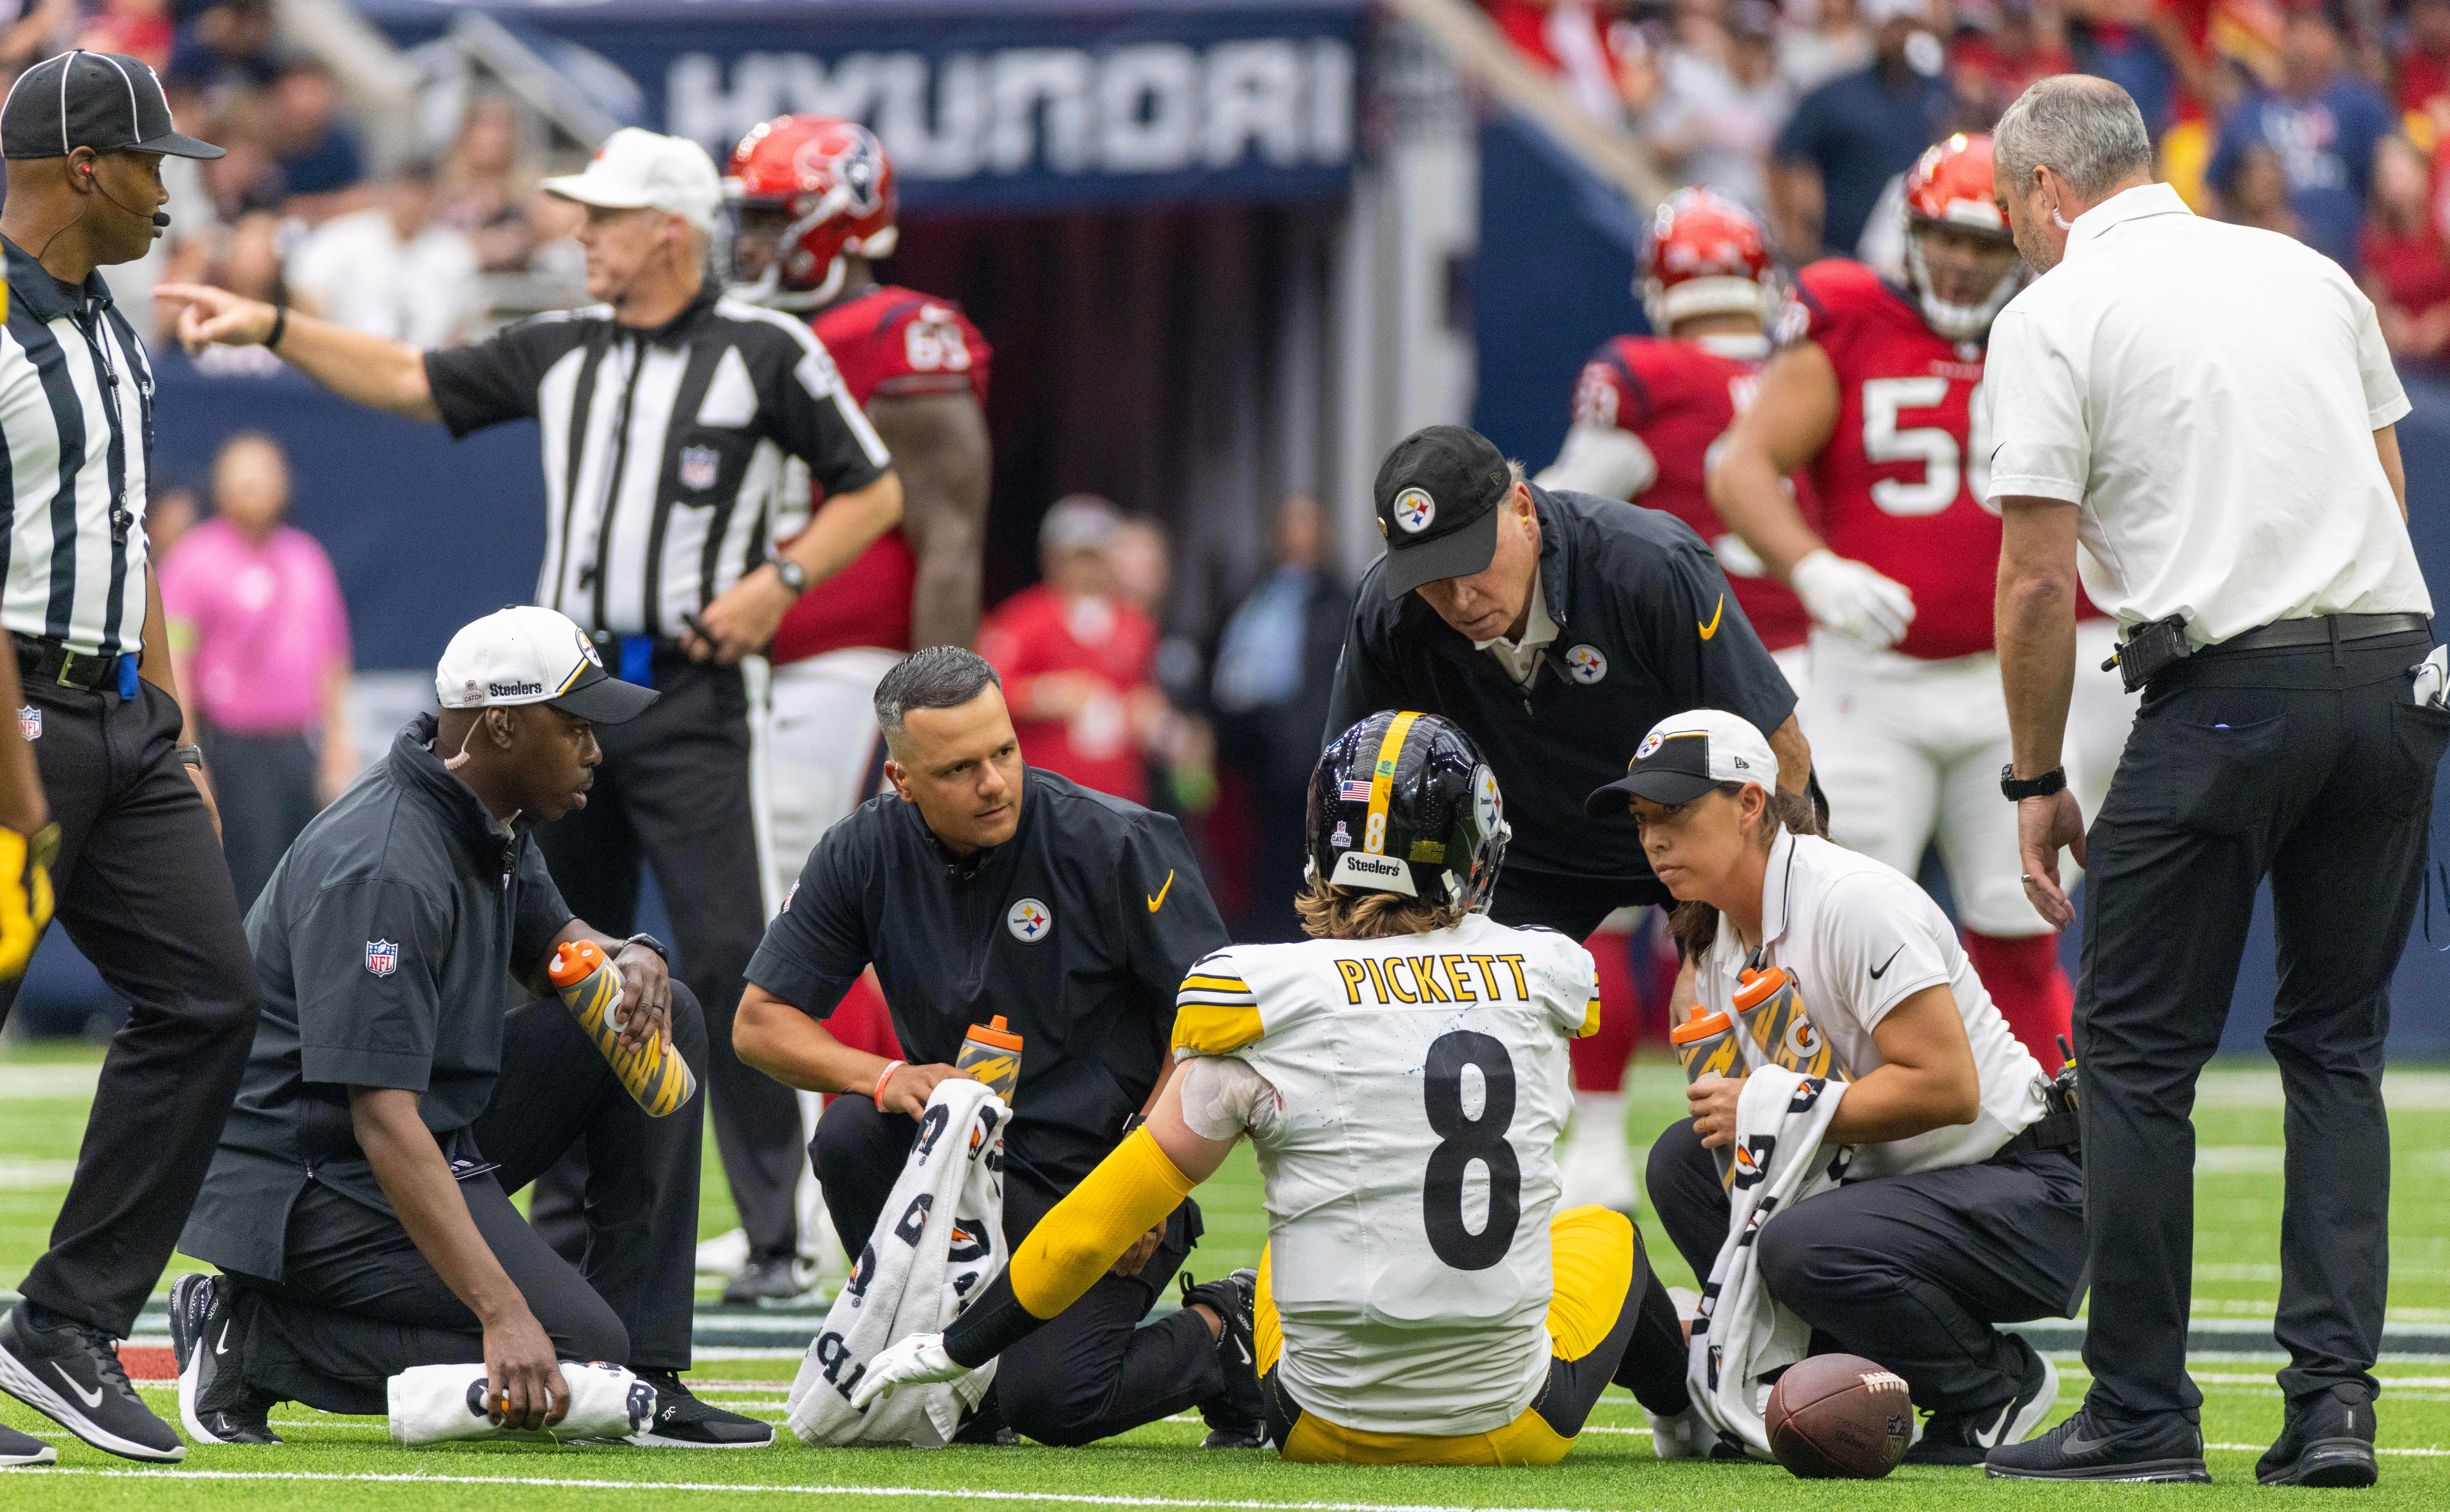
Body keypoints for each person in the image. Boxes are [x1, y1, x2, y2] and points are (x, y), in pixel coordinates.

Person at [156, 125, 906, 1327]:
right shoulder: (565, 347)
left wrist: (779, 577)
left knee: (723, 954)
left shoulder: (763, 348)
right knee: (567, 963)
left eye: (603, 218)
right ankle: (563, 1220)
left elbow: (873, 484)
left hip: (699, 686)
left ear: (670, 228)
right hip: (574, 696)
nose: (578, 234)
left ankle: (772, 1232)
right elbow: (416, 379)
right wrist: (279, 328)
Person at [1984, 75, 2438, 1484]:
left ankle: (2135, 1408)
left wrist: (2034, 773)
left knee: (2127, 1056)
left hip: (2220, 691)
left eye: (2010, 209)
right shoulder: (2303, 271)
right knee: (2331, 1049)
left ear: (2046, 192)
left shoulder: (2050, 313)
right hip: (2386, 677)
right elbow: (2385, 488)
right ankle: (2332, 1405)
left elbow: (2035, 580)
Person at [851, 710, 1696, 1466]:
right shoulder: (1548, 968)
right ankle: (1690, 1415)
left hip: (1316, 1426)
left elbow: (1092, 1227)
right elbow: (1551, 991)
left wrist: (957, 1348)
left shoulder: (1256, 995)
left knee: (1300, 1240)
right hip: (1516, 1424)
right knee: (1602, 1232)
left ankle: (1232, 1322)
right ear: (1475, 848)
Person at [167, 606, 766, 1448]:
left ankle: (650, 1373)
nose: (598, 748)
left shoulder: (486, 808)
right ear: (504, 725)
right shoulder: (386, 867)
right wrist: (500, 1306)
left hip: (408, 1132)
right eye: (578, 726)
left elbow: (560, 948)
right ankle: (256, 1338)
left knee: (661, 1011)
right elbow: (379, 1116)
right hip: (305, 1179)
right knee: (571, 1347)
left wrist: (628, 955)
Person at [730, 646, 1258, 1450]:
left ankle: (1226, 1331)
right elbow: (758, 1022)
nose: (994, 782)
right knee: (849, 1132)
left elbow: (1209, 1024)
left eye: (1004, 750)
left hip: (1102, 1179)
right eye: (959, 769)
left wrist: (1142, 1178)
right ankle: (951, 1359)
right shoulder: (861, 852)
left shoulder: (1115, 841)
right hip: (965, 1179)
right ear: (903, 780)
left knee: (1054, 1400)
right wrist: (886, 1075)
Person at [1604, 707, 2081, 1466]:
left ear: (1752, 802)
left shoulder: (1852, 899)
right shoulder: (1724, 929)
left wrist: (1771, 1106)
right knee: (1685, 1164)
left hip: (2024, 1186)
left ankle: (1994, 1384)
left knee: (1801, 1240)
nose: (1655, 839)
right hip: (1901, 1184)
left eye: (1676, 813)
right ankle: (1815, 1384)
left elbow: (1949, 1088)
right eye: (1641, 819)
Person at [1709, 132, 2092, 1067]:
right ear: (1909, 233)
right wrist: (1812, 569)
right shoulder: (1845, 310)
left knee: (2021, 921)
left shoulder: (2056, 323)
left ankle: (2044, 1148)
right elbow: (1742, 467)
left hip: (2014, 683)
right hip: (1869, 685)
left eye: (1984, 244)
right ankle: (1820, 1135)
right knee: (1837, 922)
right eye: (1945, 240)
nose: (1962, 266)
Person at [0, 50, 251, 1469]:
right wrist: (20, 783)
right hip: (13, 718)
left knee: (212, 997)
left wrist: (177, 722)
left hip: (121, 718)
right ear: (85, 166)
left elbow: (129, 535)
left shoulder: (113, 327)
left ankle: (61, 1320)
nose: (171, 194)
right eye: (153, 163)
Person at [708, 113, 994, 1303]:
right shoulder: (762, 331)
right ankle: (793, 1207)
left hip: (848, 667)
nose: (752, 239)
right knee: (766, 919)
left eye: (774, 216)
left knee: (796, 920)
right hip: (759, 667)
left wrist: (928, 707)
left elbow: (948, 528)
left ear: (840, 224)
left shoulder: (894, 333)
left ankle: (832, 1205)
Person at [1536, 188, 1813, 1214]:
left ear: (1663, 286)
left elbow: (1568, 507)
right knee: (1767, 916)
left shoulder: (1641, 373)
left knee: (1611, 897)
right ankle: (1783, 1119)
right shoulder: (1802, 366)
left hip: (1670, 677)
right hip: (1802, 677)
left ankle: (1601, 1138)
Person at [1325, 423, 1811, 948]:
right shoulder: (1389, 612)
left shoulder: (1648, 565)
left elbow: (1780, 748)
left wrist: (1760, 920)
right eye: (1433, 578)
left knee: (1747, 1010)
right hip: (1518, 853)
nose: (1461, 599)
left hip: (1687, 831)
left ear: (1524, 510)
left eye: (1472, 561)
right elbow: (1353, 783)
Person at [1539, 188, 1815, 693]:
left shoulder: (1649, 377)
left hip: (1704, 667)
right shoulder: (1806, 377)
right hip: (1822, 662)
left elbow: (1557, 518)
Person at [159, 431, 356, 911]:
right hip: (232, 751)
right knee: (250, 878)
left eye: (265, 473)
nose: (254, 485)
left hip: (296, 749)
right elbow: (175, 664)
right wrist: (189, 753)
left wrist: (337, 746)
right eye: (241, 474)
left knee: (307, 877)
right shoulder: (192, 560)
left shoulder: (307, 558)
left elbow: (331, 658)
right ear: (220, 485)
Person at [1210, 495, 1348, 944]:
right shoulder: (1257, 597)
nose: (1299, 538)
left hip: (1317, 759)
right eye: (1291, 527)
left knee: (1313, 866)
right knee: (1259, 863)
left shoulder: (1341, 601)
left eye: (1309, 527)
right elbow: (1229, 671)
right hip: (1258, 757)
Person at [976, 497, 1168, 807]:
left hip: (1117, 798)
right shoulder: (1024, 619)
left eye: (1096, 557)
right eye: (1079, 557)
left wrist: (1148, 712)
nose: (1087, 569)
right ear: (1053, 558)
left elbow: (1142, 693)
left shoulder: (1135, 625)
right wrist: (1048, 694)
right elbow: (986, 690)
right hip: (1044, 796)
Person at [2205, 3, 2392, 273]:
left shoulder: (2362, 106)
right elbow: (2215, 193)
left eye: (2314, 27)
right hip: (2260, 259)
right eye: (2293, 26)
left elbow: (2386, 195)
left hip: (2343, 261)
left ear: (2334, 40)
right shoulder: (2247, 111)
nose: (2301, 41)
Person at [1770, 0, 1957, 260]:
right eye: (1891, 27)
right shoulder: (1837, 93)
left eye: (1905, 26)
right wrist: (1795, 239)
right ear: (1874, 28)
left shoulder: (1940, 92)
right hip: (1841, 255)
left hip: (1916, 256)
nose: (1899, 38)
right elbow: (1784, 156)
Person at [285, 157, 482, 348]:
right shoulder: (347, 236)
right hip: (351, 360)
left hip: (425, 367)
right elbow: (304, 284)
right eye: (409, 193)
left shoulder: (455, 253)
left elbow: (462, 326)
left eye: (424, 195)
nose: (413, 204)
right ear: (392, 192)